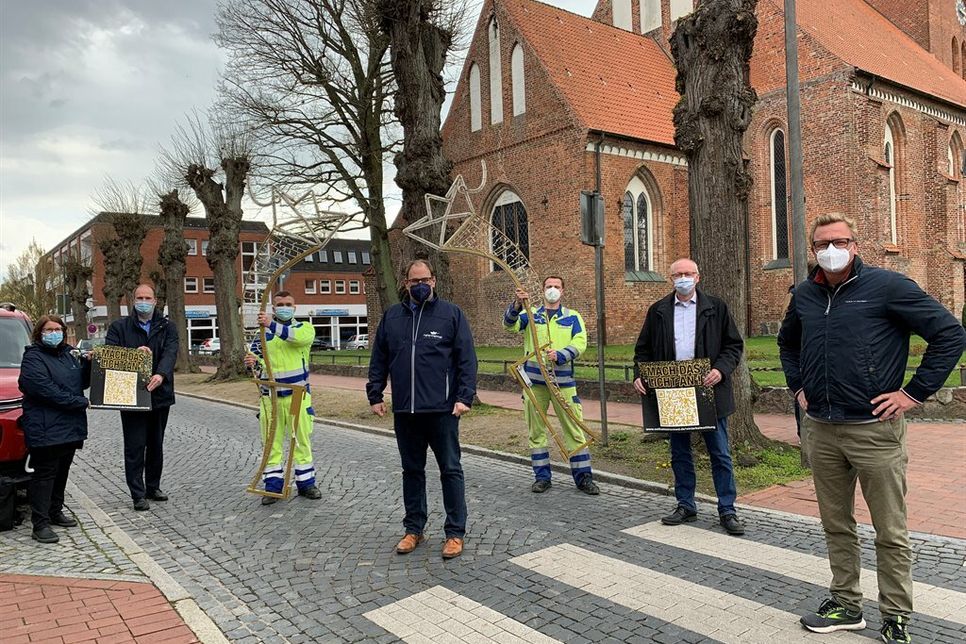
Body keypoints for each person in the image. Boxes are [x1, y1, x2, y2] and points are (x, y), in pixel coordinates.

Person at [778, 213, 966, 643]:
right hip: (821, 428)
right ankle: (845, 603)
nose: (831, 249)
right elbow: (788, 343)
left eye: (839, 241)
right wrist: (798, 385)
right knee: (836, 523)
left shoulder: (887, 286)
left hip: (874, 429)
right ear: (813, 250)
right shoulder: (805, 293)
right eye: (822, 243)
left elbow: (951, 335)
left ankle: (896, 613)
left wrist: (913, 393)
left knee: (890, 528)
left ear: (855, 245)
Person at [366, 260, 477, 560]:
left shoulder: (451, 314)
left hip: (442, 411)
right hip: (405, 411)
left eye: (425, 279)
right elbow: (379, 358)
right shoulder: (392, 317)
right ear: (406, 283)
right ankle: (414, 528)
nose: (420, 285)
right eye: (414, 281)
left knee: (450, 470)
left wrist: (465, 397)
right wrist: (374, 393)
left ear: (434, 281)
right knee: (412, 471)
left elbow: (466, 359)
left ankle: (455, 533)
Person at [632, 258, 746, 536]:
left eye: (688, 273)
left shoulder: (716, 308)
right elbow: (643, 349)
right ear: (670, 278)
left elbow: (733, 345)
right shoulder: (658, 310)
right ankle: (686, 504)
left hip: (709, 390)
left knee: (719, 452)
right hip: (673, 390)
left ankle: (727, 509)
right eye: (677, 274)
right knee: (680, 452)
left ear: (698, 277)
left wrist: (721, 369)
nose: (683, 278)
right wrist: (639, 374)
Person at [503, 276, 599, 495]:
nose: (552, 290)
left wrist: (561, 355)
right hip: (534, 385)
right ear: (543, 290)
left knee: (574, 429)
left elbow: (580, 342)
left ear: (563, 290)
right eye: (549, 287)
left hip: (562, 383)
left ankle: (583, 478)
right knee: (536, 431)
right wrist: (517, 305)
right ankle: (542, 477)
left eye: (556, 287)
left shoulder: (572, 317)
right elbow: (509, 325)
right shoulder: (531, 314)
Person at [18, 316, 91, 543]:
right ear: (39, 333)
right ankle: (40, 524)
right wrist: (77, 402)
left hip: (70, 426)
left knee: (62, 471)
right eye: (49, 329)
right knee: (45, 474)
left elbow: (82, 383)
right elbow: (42, 389)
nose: (55, 333)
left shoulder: (69, 355)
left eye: (58, 329)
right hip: (45, 426)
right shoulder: (32, 357)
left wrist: (89, 365)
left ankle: (55, 511)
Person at [243, 291, 321, 504]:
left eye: (288, 304)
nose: (284, 307)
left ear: (294, 308)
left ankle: (306, 484)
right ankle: (273, 487)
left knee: (301, 441)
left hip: (298, 396)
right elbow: (258, 362)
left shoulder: (303, 329)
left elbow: (294, 339)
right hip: (271, 399)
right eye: (280, 304)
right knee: (271, 444)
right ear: (273, 308)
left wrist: (270, 325)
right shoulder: (262, 335)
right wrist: (252, 363)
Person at [105, 284, 178, 511]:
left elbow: (170, 352)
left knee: (156, 444)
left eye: (148, 297)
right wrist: (133, 355)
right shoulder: (119, 327)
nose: (143, 301)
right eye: (140, 297)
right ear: (133, 300)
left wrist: (161, 374)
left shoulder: (168, 326)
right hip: (130, 395)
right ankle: (137, 493)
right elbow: (111, 355)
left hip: (159, 394)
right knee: (135, 446)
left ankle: (152, 486)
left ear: (155, 301)